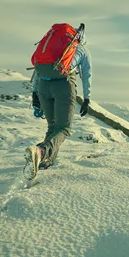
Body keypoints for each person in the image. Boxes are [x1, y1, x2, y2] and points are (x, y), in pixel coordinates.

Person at [25, 23, 92, 180]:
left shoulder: (52, 48)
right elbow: (87, 76)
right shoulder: (81, 49)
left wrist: (35, 93)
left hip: (43, 86)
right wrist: (87, 98)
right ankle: (41, 151)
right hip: (63, 85)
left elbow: (38, 70)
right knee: (63, 128)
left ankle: (44, 162)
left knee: (53, 126)